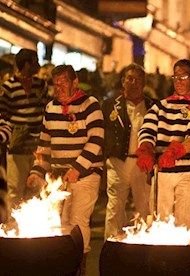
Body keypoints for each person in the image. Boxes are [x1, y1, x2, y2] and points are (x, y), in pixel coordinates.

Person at [25, 65, 104, 275]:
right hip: (60, 177)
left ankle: (81, 263)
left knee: (78, 220)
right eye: (56, 82)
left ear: (74, 82)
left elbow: (96, 139)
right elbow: (44, 146)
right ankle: (67, 264)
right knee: (61, 222)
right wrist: (37, 172)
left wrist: (78, 168)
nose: (58, 87)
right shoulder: (51, 108)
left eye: (63, 82)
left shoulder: (90, 104)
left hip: (87, 174)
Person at [136, 59, 190, 229]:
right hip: (162, 173)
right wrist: (146, 149)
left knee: (185, 226)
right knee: (159, 223)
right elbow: (147, 129)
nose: (178, 81)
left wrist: (176, 151)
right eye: (175, 76)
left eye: (183, 76)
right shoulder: (160, 107)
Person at [102, 63, 154, 240]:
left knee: (146, 206)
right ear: (123, 81)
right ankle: (111, 244)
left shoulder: (153, 107)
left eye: (138, 79)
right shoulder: (110, 105)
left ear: (144, 82)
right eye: (130, 78)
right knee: (115, 207)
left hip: (143, 164)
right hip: (119, 162)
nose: (134, 83)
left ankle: (147, 243)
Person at [0, 48, 48, 213]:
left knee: (36, 189)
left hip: (37, 147)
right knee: (15, 189)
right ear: (26, 64)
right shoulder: (9, 87)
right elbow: (3, 114)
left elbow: (44, 110)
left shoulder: (41, 84)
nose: (39, 66)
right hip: (18, 147)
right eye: (35, 62)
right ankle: (11, 228)